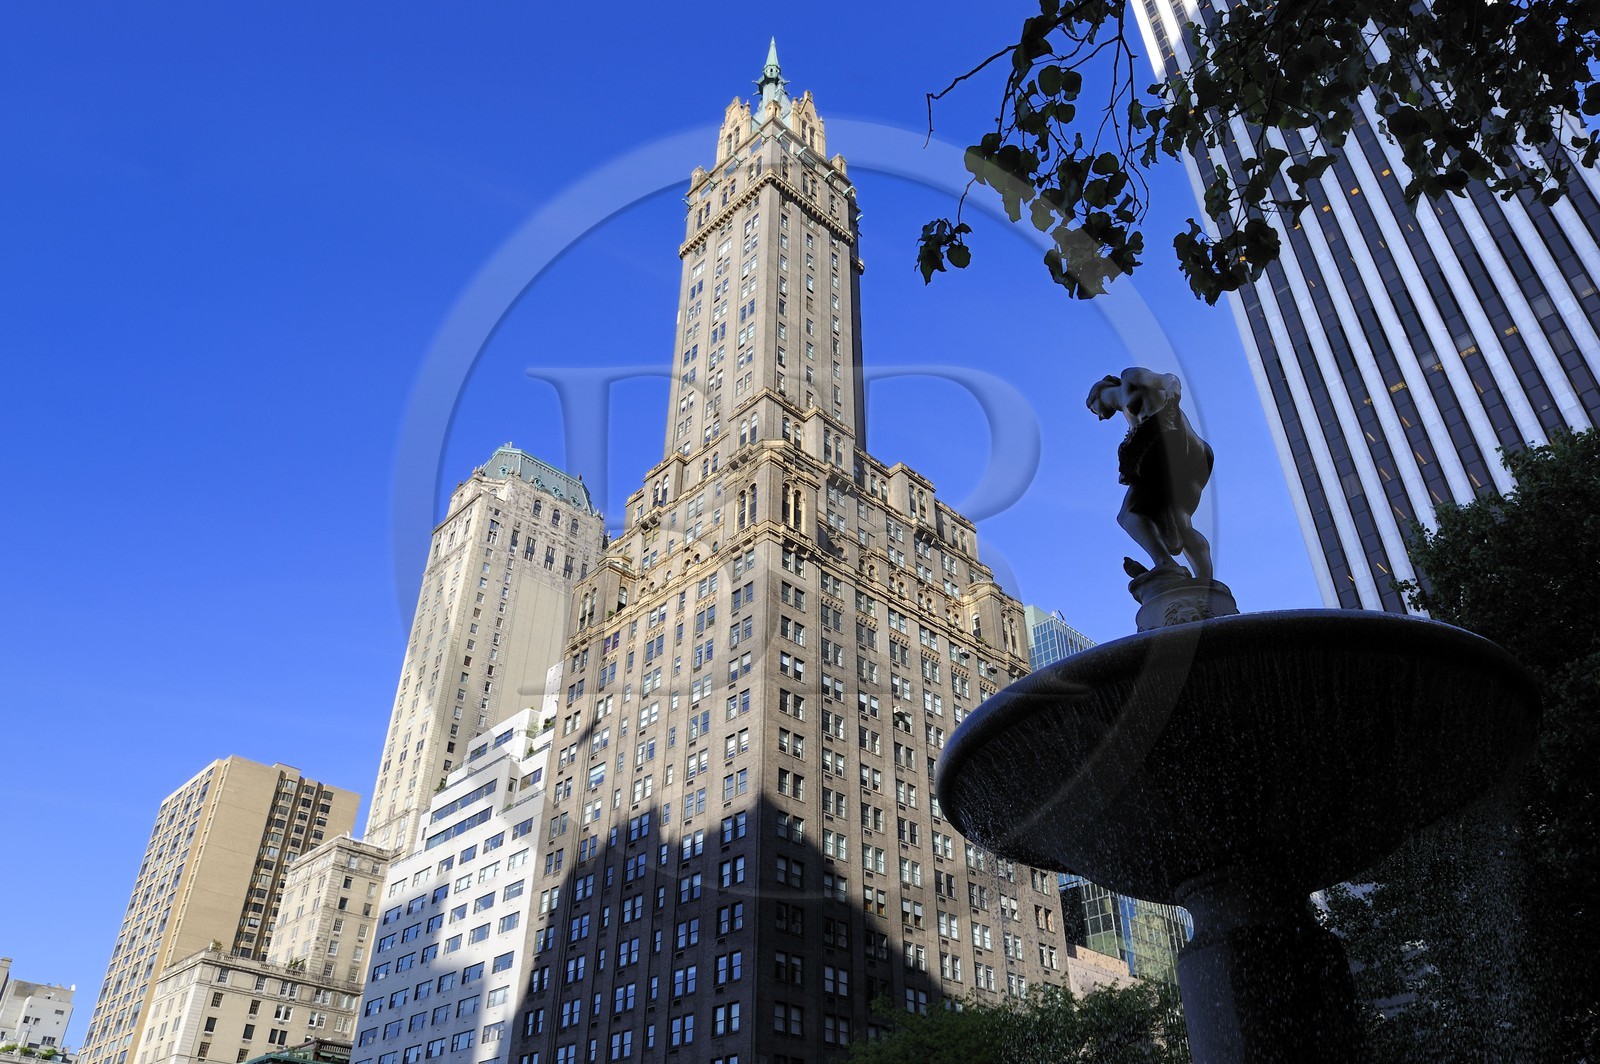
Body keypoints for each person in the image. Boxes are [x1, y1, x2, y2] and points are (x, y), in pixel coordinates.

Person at [1087, 368, 1214, 583]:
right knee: (1182, 522)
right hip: (1197, 454)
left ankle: (1165, 563)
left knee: (1128, 515)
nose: (1099, 417)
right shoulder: (1131, 420)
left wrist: (1173, 387)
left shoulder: (1128, 378)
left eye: (1094, 410)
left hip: (1169, 445)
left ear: (1097, 395)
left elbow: (1165, 378)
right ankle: (1207, 583)